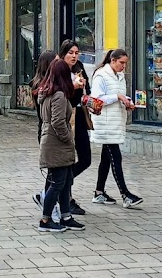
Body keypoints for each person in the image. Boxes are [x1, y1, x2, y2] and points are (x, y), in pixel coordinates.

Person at [35, 58, 84, 233]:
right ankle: (46, 219)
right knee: (57, 183)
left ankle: (66, 216)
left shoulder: (47, 92)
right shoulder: (59, 95)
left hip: (52, 141)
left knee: (65, 181)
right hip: (57, 143)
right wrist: (68, 138)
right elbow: (57, 121)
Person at [90, 48, 143, 208]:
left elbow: (118, 95)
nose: (123, 66)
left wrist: (127, 102)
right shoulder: (101, 75)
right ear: (112, 60)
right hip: (105, 123)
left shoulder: (119, 76)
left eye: (125, 63)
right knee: (116, 157)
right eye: (121, 63)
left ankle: (99, 192)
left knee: (106, 159)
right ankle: (125, 194)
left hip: (115, 121)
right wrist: (117, 97)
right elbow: (96, 99)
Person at [58, 40, 92, 214]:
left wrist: (92, 102)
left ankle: (60, 187)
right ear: (63, 53)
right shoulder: (57, 68)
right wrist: (73, 86)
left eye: (76, 52)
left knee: (86, 159)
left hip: (79, 117)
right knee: (65, 160)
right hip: (63, 119)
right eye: (70, 52)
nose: (74, 56)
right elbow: (55, 93)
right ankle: (65, 198)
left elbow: (87, 92)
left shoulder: (79, 66)